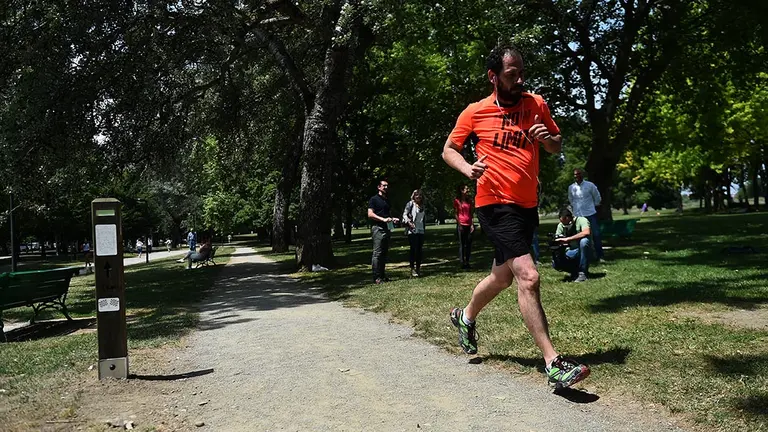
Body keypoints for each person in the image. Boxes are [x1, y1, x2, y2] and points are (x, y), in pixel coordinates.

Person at [441, 45, 589, 390]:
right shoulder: (475, 112)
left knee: (502, 278)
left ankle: (465, 317)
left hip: (526, 205)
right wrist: (468, 168)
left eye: (522, 72)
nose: (520, 79)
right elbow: (449, 148)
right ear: (493, 77)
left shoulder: (536, 104)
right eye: (512, 74)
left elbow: (556, 143)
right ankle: (554, 363)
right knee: (528, 276)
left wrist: (547, 139)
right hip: (493, 202)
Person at [367, 179, 399, 284]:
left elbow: (386, 214)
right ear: (379, 187)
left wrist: (392, 218)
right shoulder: (374, 199)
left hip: (386, 228)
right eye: (384, 186)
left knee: (384, 253)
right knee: (377, 253)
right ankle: (376, 277)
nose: (386, 187)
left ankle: (382, 275)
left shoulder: (387, 200)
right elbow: (370, 214)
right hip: (378, 228)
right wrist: (383, 219)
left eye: (387, 186)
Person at [568, 168, 603, 260]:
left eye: (578, 174)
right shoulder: (571, 187)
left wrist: (593, 206)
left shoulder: (590, 185)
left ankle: (600, 256)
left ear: (582, 175)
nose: (577, 176)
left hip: (590, 213)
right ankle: (581, 256)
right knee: (578, 236)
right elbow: (571, 199)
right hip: (578, 215)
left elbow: (597, 197)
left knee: (596, 235)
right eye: (575, 174)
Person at [552, 208, 594, 282]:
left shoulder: (582, 220)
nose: (563, 224)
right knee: (556, 263)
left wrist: (568, 239)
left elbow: (586, 232)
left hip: (585, 250)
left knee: (584, 241)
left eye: (564, 222)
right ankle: (574, 272)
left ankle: (582, 273)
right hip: (570, 251)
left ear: (568, 218)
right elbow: (557, 238)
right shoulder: (561, 225)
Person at [403, 189, 426, 277]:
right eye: (416, 195)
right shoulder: (410, 204)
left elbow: (423, 218)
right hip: (412, 230)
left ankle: (418, 268)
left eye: (420, 195)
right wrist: (409, 222)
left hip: (420, 230)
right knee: (413, 249)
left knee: (419, 250)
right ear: (414, 196)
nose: (418, 197)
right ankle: (412, 268)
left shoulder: (423, 206)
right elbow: (404, 214)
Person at [453, 185, 474, 269]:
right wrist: (459, 225)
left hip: (469, 224)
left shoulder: (469, 201)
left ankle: (468, 262)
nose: (468, 190)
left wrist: (472, 224)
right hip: (462, 224)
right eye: (466, 189)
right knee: (462, 244)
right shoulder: (457, 201)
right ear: (462, 191)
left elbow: (471, 213)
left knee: (468, 244)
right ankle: (462, 262)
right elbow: (456, 213)